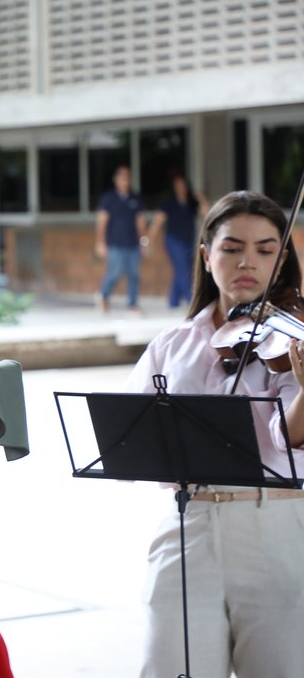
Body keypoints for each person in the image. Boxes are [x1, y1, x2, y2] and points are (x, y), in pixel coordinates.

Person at [126, 190, 304, 678]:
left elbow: (285, 441)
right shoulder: (171, 345)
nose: (248, 261)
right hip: (190, 523)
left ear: (282, 258)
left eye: (266, 250)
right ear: (206, 255)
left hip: (277, 523)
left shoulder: (293, 338)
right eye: (232, 248)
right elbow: (130, 431)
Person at [148, 173, 211, 309]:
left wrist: (201, 198)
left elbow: (207, 213)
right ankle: (191, 301)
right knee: (183, 270)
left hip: (188, 240)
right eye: (177, 186)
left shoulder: (191, 203)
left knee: (182, 269)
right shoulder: (169, 203)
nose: (180, 188)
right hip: (173, 241)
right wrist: (149, 240)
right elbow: (157, 222)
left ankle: (173, 301)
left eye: (182, 185)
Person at [95, 164, 148, 315]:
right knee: (115, 272)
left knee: (133, 274)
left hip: (133, 244)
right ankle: (103, 296)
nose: (126, 180)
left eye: (128, 177)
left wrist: (144, 241)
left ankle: (132, 304)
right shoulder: (108, 199)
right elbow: (102, 222)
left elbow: (141, 222)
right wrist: (100, 243)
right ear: (116, 180)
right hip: (115, 244)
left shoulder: (135, 198)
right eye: (123, 177)